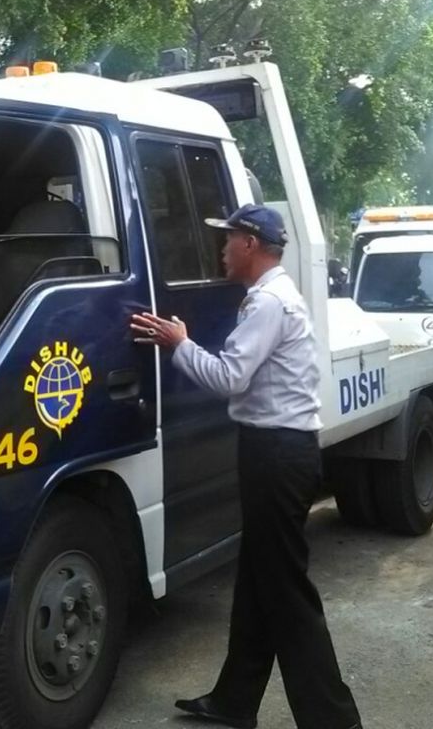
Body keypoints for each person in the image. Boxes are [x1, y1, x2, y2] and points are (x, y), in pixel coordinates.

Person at [130, 204, 362, 729]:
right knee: (259, 581)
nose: (223, 247)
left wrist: (179, 344)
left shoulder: (269, 304)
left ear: (251, 244)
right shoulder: (268, 298)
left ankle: (334, 720)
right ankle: (235, 701)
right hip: (271, 450)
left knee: (285, 591)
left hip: (278, 454)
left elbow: (230, 377)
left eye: (228, 238)